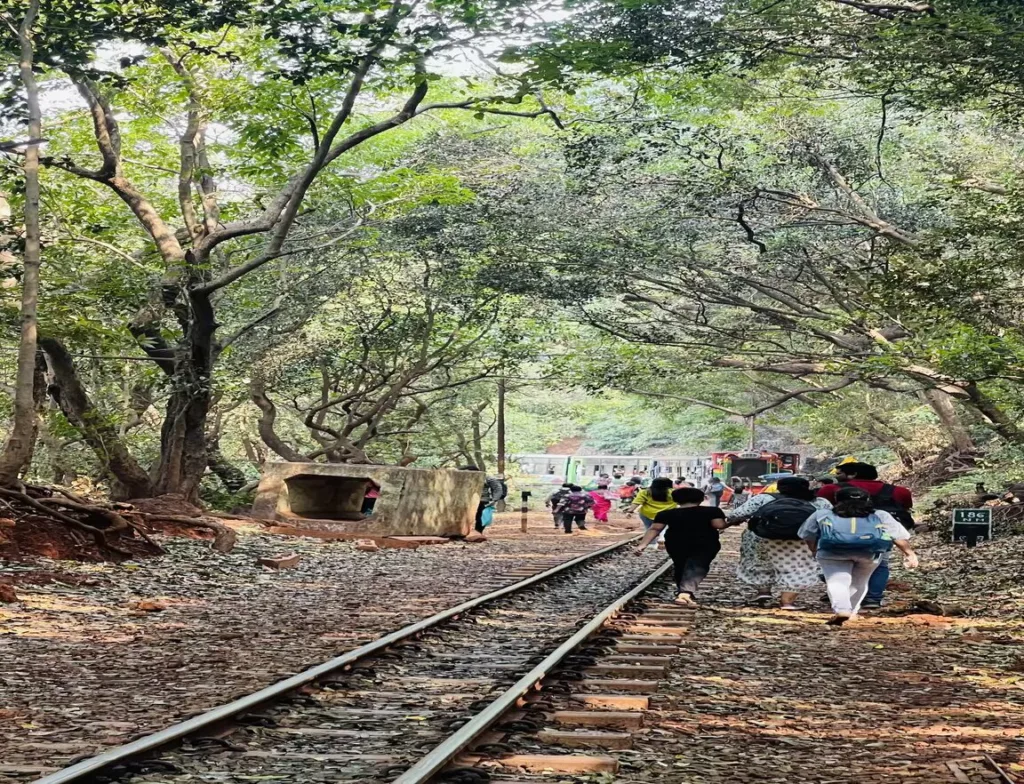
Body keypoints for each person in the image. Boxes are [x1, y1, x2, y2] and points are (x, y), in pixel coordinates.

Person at [799, 486, 918, 625]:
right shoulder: (880, 514)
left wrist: (813, 549)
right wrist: (909, 553)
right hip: (869, 552)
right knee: (860, 581)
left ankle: (842, 609)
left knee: (836, 580)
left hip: (831, 551)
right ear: (867, 500)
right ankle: (853, 611)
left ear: (837, 500)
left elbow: (807, 533)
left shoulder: (822, 514)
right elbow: (898, 536)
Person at [817, 462, 914, 608]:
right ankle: (873, 598)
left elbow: (821, 510)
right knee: (880, 565)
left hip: (837, 537)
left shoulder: (830, 489)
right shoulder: (899, 491)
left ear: (852, 474)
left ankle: (842, 598)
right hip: (879, 537)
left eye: (839, 473)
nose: (836, 476)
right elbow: (906, 508)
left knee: (838, 567)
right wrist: (909, 552)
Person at [727, 477, 832, 609]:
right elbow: (830, 519)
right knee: (799, 567)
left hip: (763, 538)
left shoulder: (764, 498)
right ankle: (787, 602)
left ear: (779, 487)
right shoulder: (819, 502)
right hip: (802, 540)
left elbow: (736, 514)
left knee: (760, 562)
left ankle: (763, 592)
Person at [634, 487, 729, 606]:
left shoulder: (666, 513)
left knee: (681, 565)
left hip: (676, 543)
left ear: (676, 500)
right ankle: (685, 593)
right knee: (698, 565)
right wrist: (732, 521)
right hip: (705, 543)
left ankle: (683, 591)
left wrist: (642, 545)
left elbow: (655, 529)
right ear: (701, 499)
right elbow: (719, 525)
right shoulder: (712, 511)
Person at [463, 465, 506, 533]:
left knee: (480, 517)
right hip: (466, 501)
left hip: (483, 501)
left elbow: (497, 488)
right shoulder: (463, 479)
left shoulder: (487, 478)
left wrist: (494, 499)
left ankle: (478, 532)